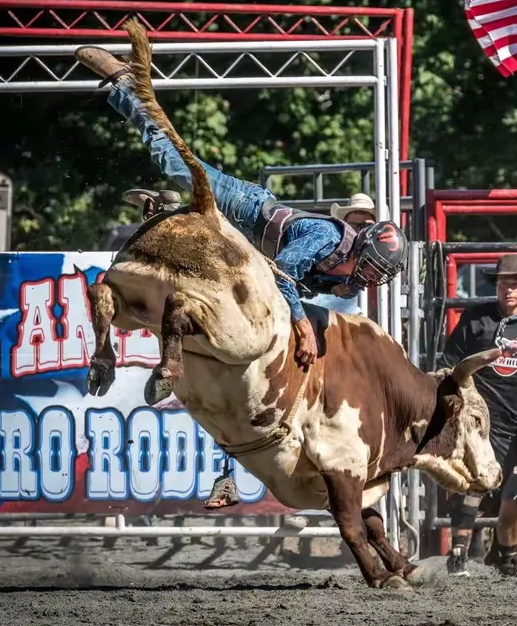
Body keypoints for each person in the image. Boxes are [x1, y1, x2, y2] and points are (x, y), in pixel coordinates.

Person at [75, 44, 408, 509]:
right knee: (177, 163)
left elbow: (295, 290)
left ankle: (172, 213)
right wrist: (299, 324)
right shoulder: (327, 237)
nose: (367, 278)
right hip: (246, 214)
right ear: (361, 243)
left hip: (246, 253)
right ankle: (124, 89)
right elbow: (287, 275)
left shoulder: (344, 278)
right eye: (370, 266)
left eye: (376, 274)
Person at [440, 254, 517, 577]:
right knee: (471, 485)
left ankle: (508, 554)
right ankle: (457, 556)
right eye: (501, 283)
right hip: (477, 423)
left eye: (514, 284)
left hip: (516, 425)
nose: (507, 290)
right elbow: (449, 364)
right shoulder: (477, 320)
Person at [305, 193, 377, 315]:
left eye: (366, 226)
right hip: (313, 303)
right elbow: (304, 276)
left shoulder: (377, 253)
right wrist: (330, 288)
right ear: (346, 226)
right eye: (354, 225)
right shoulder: (329, 242)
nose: (360, 231)